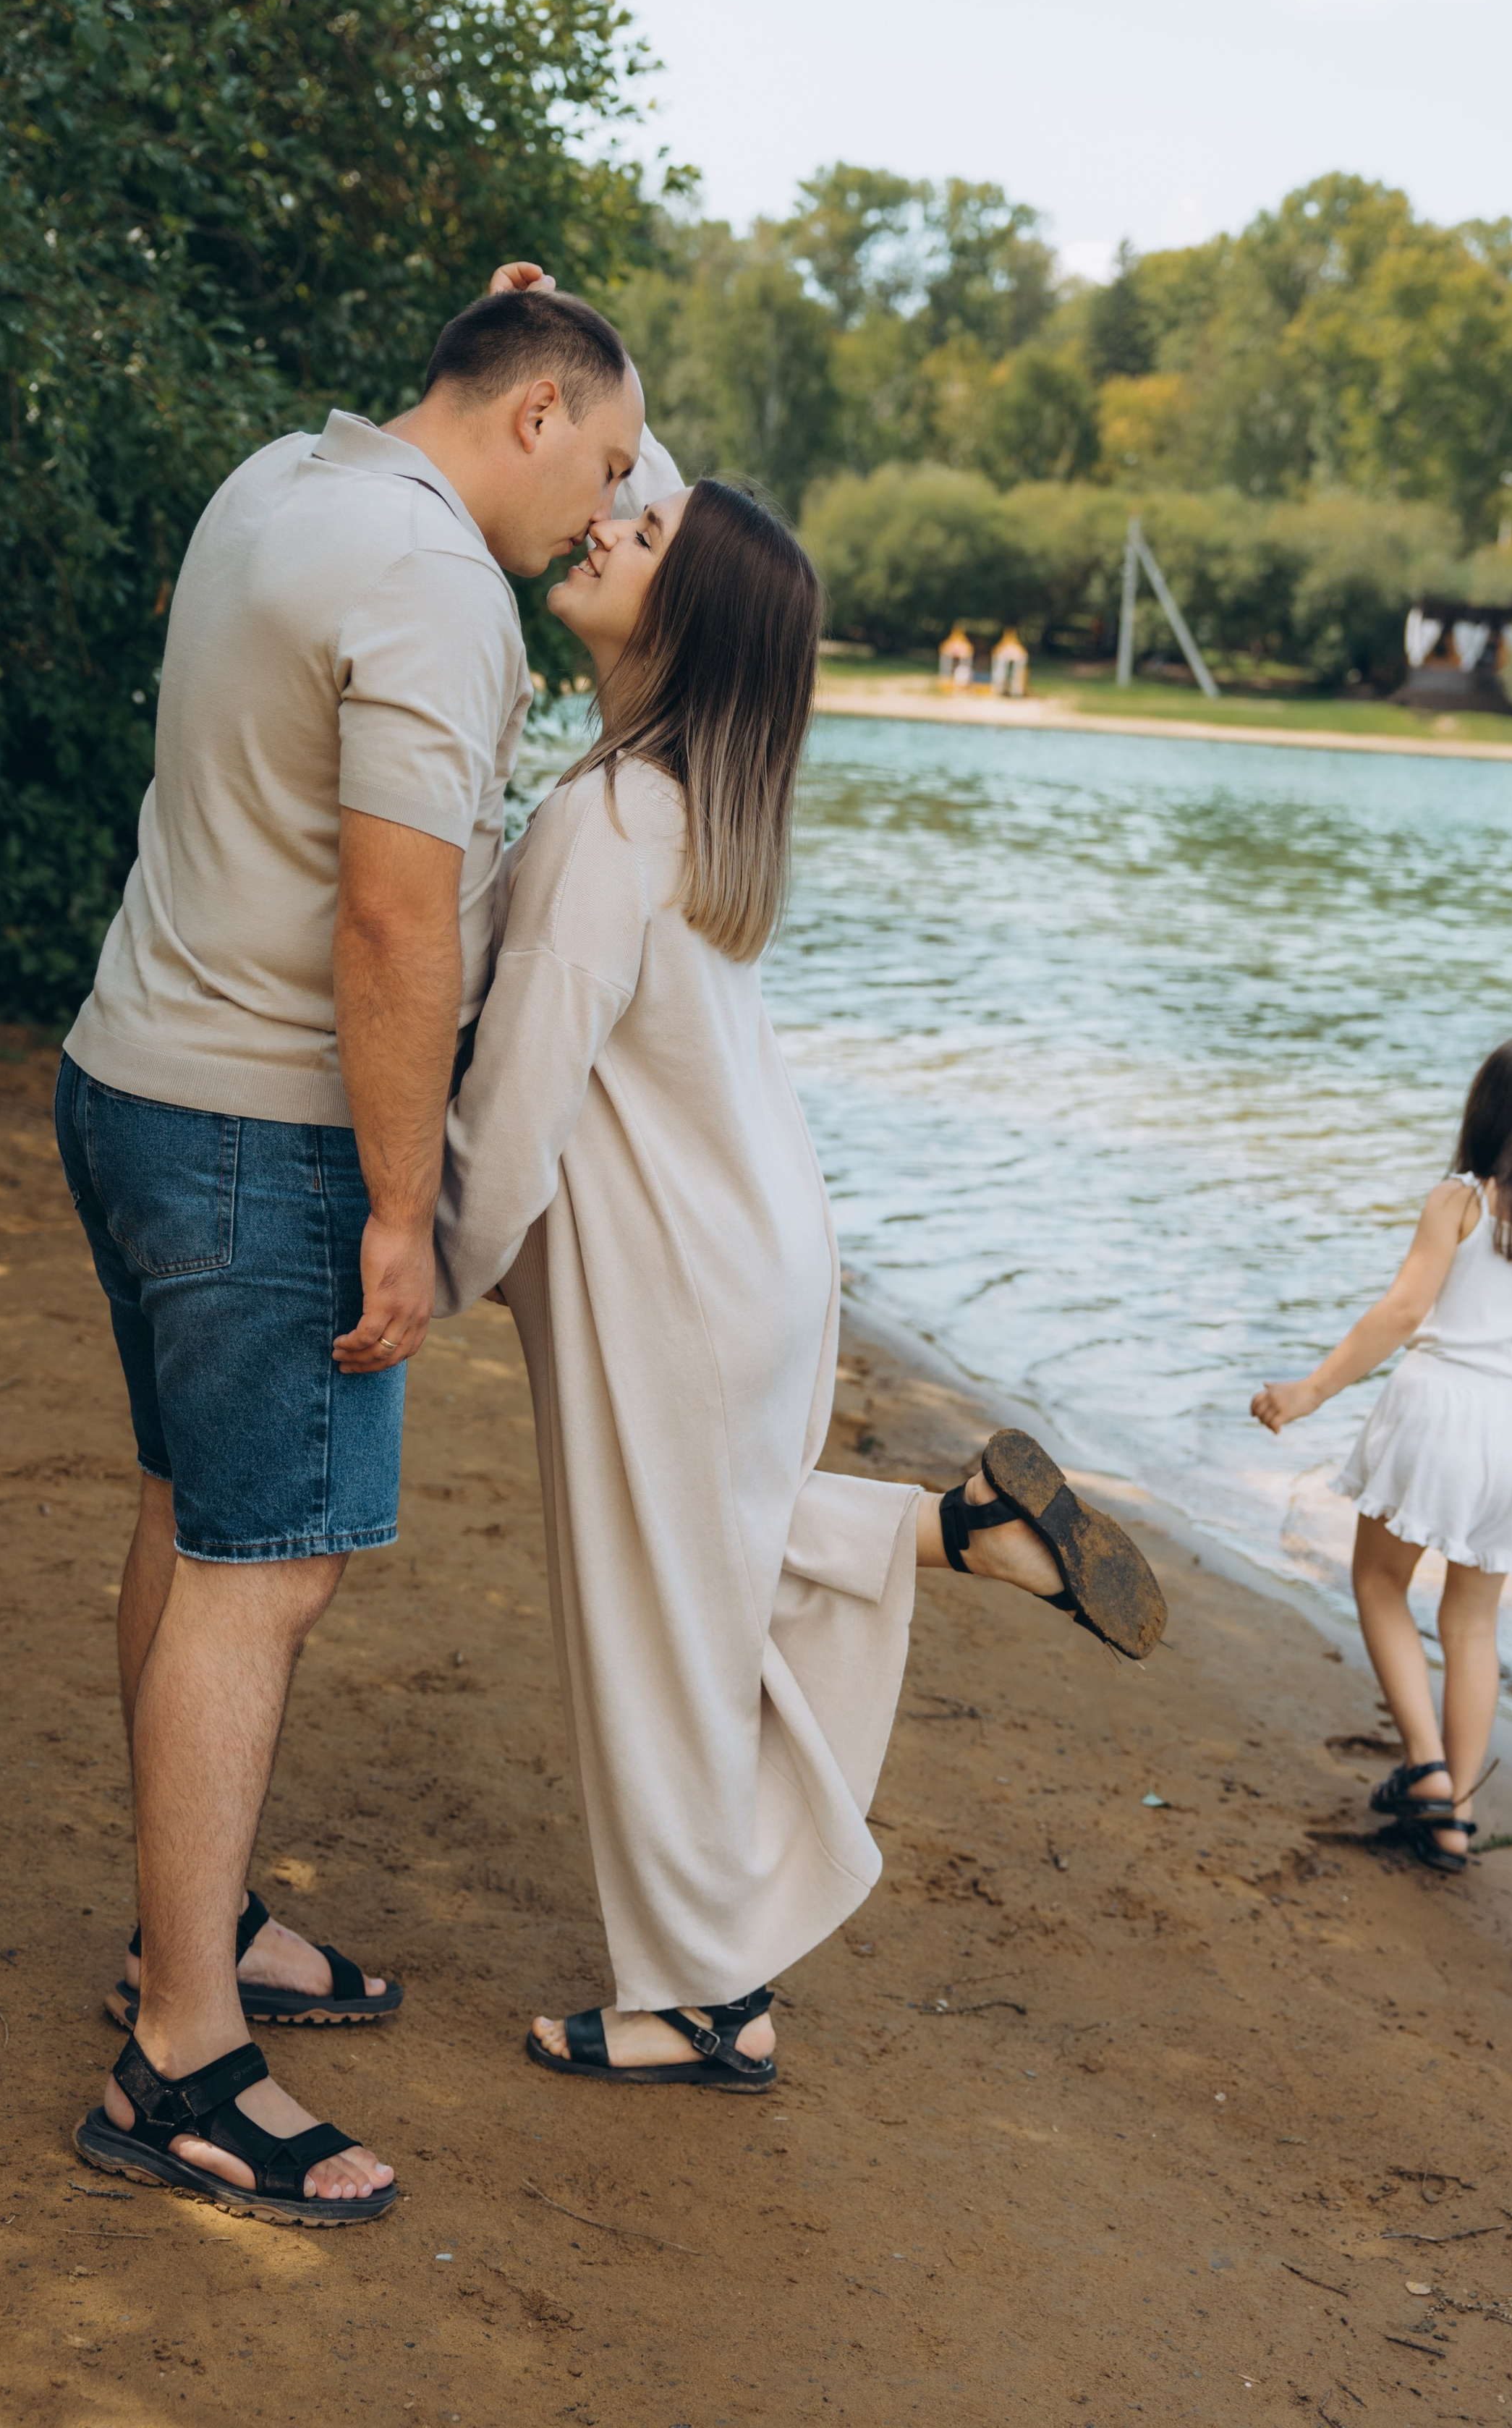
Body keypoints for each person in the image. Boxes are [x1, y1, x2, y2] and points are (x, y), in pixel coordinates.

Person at [434, 477, 1168, 2089]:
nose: (606, 526)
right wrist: (596, 372)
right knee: (724, 1563)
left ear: (686, 613)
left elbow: (518, 1098)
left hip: (677, 1294)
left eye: (638, 535)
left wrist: (430, 1273)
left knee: (659, 1637)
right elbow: (723, 554)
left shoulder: (608, 818)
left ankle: (701, 1996)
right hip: (758, 1268)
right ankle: (961, 1528)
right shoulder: (704, 801)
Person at [61, 282, 646, 2223]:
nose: (603, 521)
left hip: (126, 1081)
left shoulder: (281, 483)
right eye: (614, 472)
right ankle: (181, 2067)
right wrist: (403, 1210)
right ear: (543, 412)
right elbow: (397, 929)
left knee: (189, 1512)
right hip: (258, 1136)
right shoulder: (435, 589)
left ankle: (188, 1936)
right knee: (266, 1575)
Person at [1250, 1039, 1512, 1876]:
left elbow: (1400, 1312)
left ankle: (1424, 1767)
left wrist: (1311, 1391)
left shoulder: (1458, 1201)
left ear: (1487, 1111)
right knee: (1472, 1624)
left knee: (1380, 1583)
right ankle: (1455, 1815)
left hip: (1432, 1408)